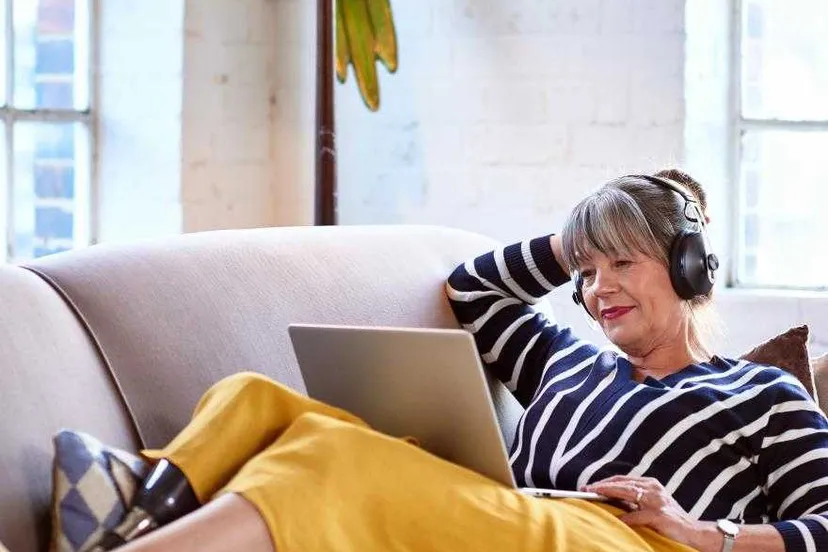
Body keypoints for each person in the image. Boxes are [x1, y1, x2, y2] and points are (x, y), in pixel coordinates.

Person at [97, 170, 827, 552]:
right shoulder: (563, 364)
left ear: (688, 268)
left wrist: (703, 533)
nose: (598, 288)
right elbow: (472, 288)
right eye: (587, 270)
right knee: (262, 401)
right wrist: (582, 231)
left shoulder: (759, 393)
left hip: (634, 545)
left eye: (623, 263)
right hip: (521, 523)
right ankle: (135, 512)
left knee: (339, 465)